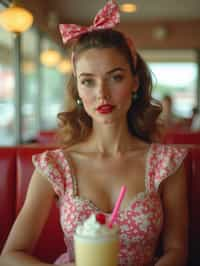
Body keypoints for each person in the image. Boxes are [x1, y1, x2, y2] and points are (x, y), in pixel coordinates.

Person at [0, 1, 188, 266]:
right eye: (88, 81)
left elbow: (177, 251)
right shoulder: (54, 166)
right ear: (77, 89)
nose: (102, 93)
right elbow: (10, 255)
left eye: (115, 77)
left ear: (134, 82)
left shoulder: (167, 164)